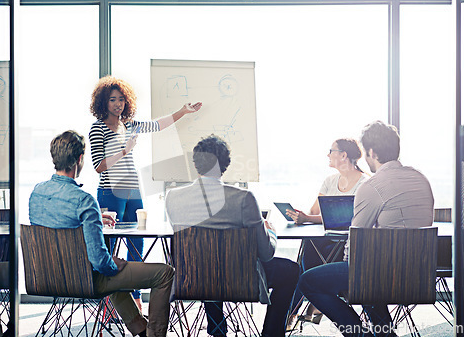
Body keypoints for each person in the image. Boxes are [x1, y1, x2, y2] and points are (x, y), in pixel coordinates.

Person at [29, 130, 174, 337]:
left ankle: (140, 330)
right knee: (164, 273)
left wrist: (92, 220)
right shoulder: (84, 201)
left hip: (46, 277)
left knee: (112, 275)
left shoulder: (37, 193)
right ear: (80, 159)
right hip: (84, 279)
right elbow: (100, 263)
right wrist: (115, 263)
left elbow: (58, 228)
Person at [297, 121, 434, 337]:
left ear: (371, 152)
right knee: (370, 270)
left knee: (309, 280)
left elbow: (357, 243)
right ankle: (384, 332)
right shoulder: (421, 179)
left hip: (381, 275)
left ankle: (358, 334)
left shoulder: (372, 186)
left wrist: (345, 265)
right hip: (419, 273)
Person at [166, 134, 301, 337]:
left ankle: (218, 327)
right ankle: (271, 333)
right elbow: (266, 254)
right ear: (225, 164)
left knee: (207, 259)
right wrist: (270, 232)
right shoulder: (243, 198)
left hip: (193, 278)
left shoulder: (173, 197)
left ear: (196, 164)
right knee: (291, 270)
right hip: (240, 280)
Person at [88, 75, 201, 310]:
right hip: (110, 192)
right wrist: (124, 150)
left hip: (133, 192)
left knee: (136, 245)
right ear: (103, 103)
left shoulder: (130, 124)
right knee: (108, 246)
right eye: (112, 100)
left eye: (121, 99)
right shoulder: (97, 128)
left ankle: (135, 297)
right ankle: (110, 300)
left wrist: (182, 111)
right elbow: (98, 165)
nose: (118, 104)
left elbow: (157, 125)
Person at [286, 138, 367, 325]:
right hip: (327, 241)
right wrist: (302, 216)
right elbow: (314, 213)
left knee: (307, 256)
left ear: (344, 155)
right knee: (308, 247)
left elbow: (354, 219)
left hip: (348, 245)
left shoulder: (364, 184)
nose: (327, 154)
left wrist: (308, 219)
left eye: (331, 150)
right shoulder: (330, 181)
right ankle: (315, 302)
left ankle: (295, 311)